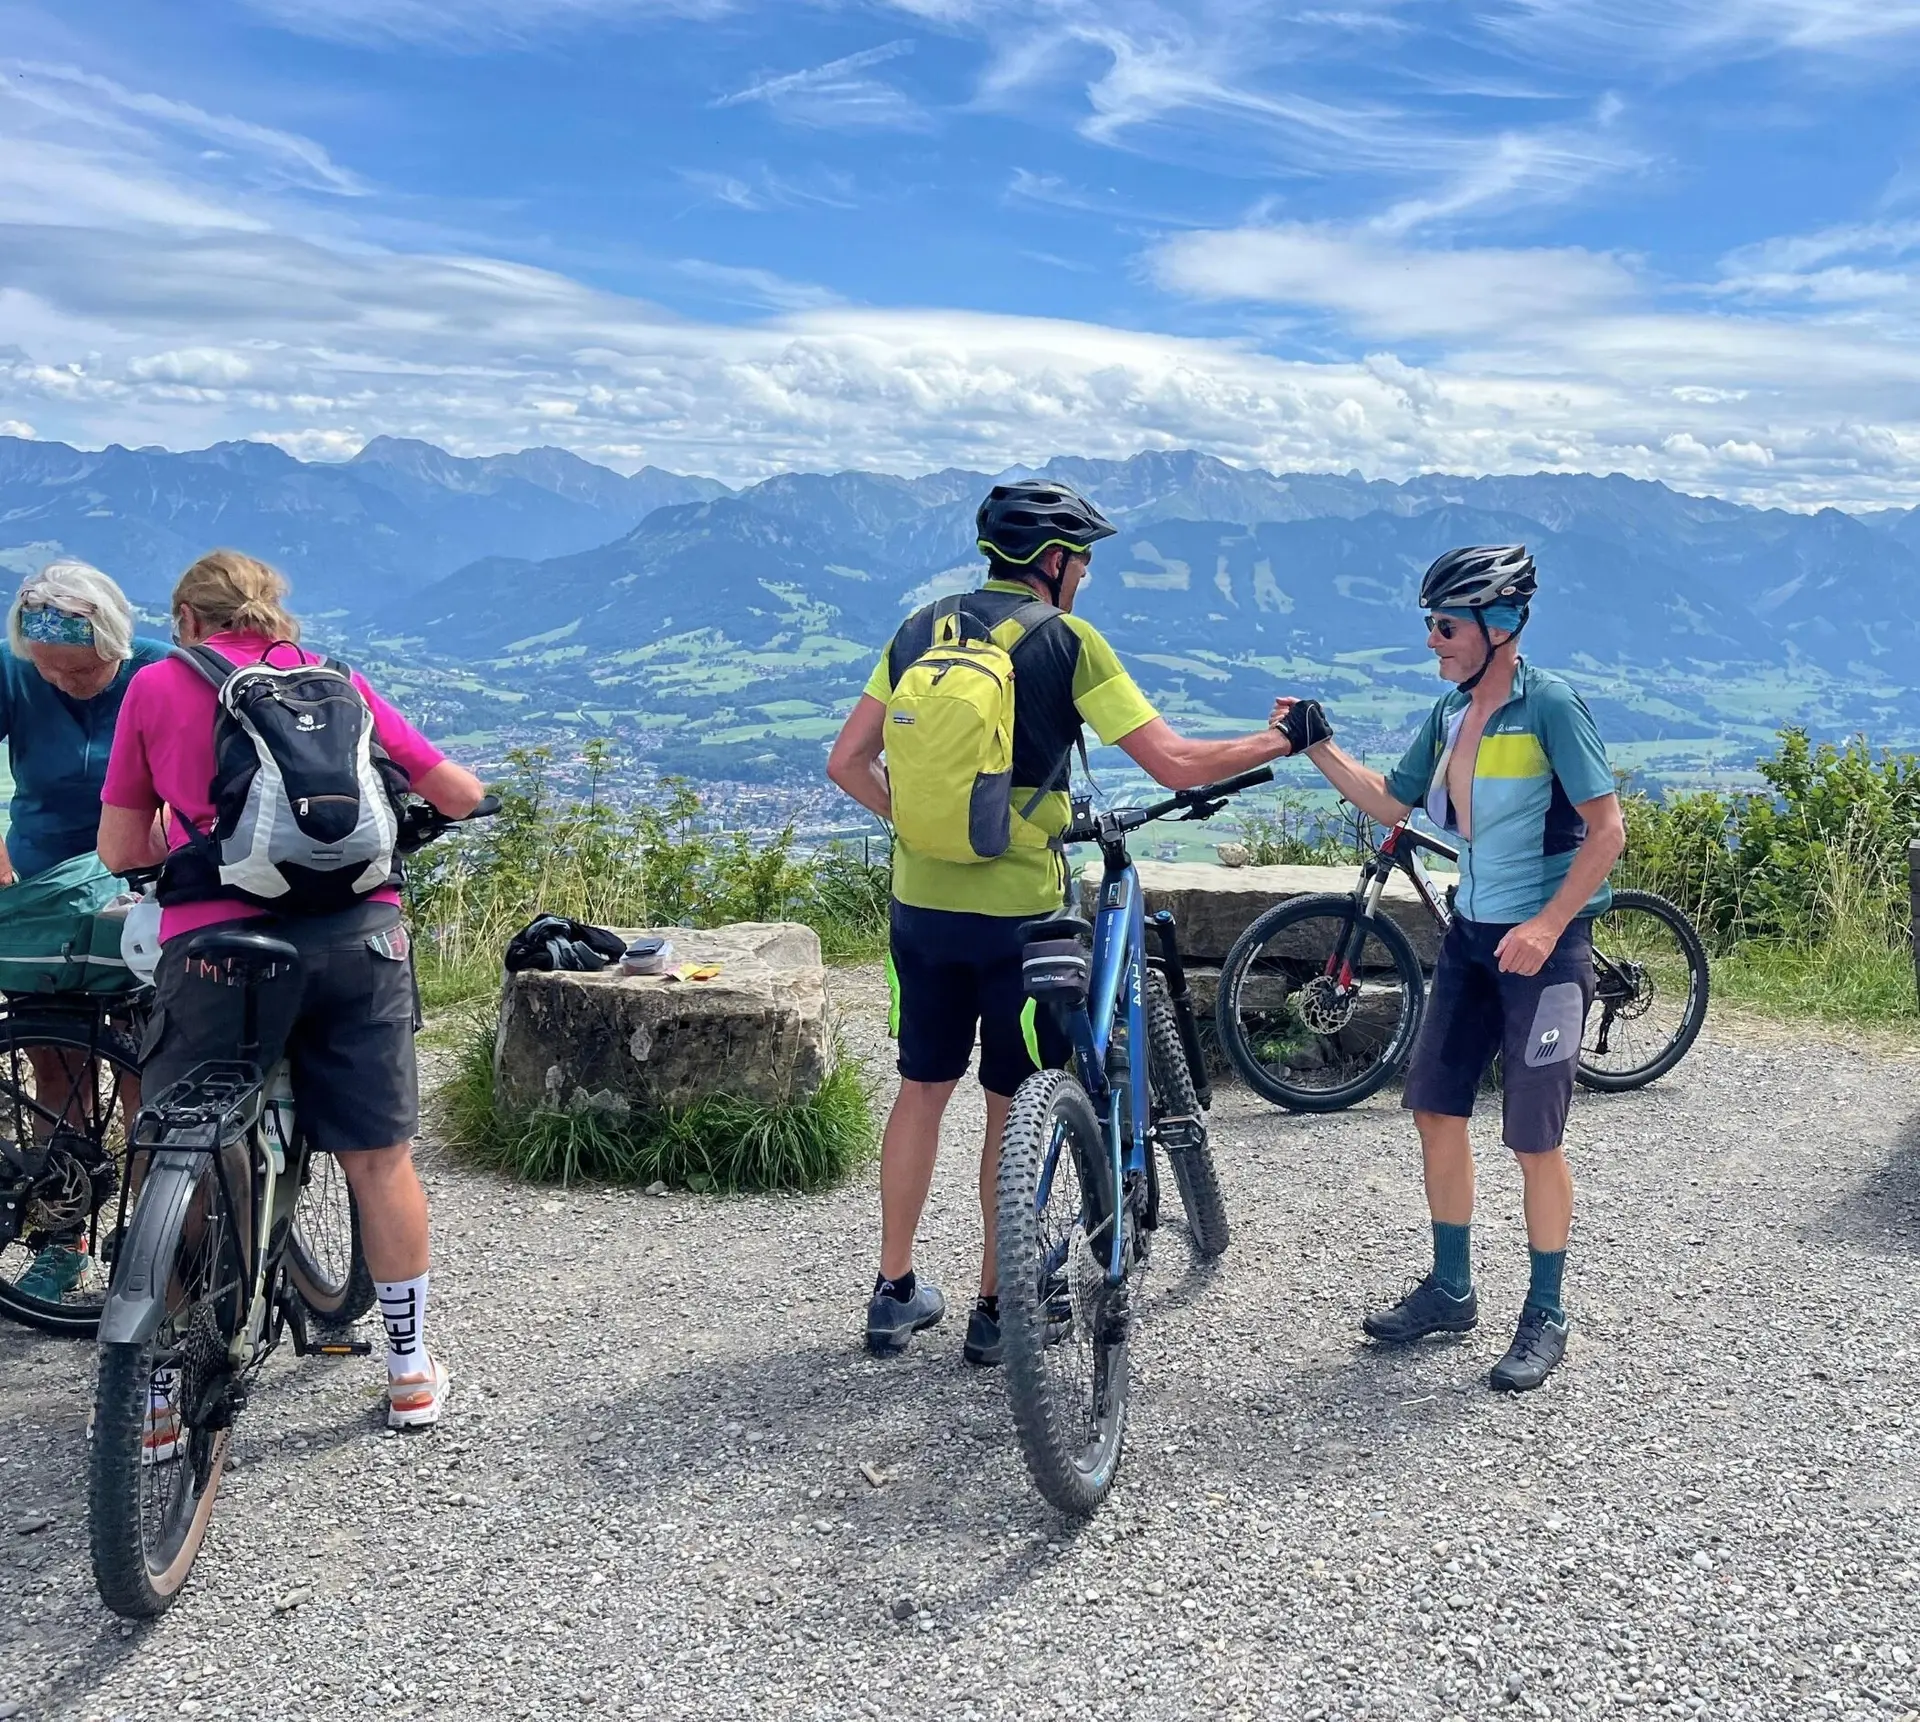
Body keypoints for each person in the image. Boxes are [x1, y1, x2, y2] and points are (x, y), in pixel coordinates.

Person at [826, 480, 1302, 1365]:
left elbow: (848, 762)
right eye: (1080, 559)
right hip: (1018, 914)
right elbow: (1174, 763)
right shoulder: (1067, 640)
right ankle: (994, 1306)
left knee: (921, 1089)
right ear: (1052, 560)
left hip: (919, 907)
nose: (1083, 574)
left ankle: (892, 1293)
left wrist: (923, 829)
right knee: (1011, 1102)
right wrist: (1283, 739)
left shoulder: (918, 630)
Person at [98, 550, 485, 1431]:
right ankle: (410, 1373)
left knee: (180, 1144)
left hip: (217, 951)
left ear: (187, 620)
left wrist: (191, 837)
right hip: (358, 942)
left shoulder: (157, 685)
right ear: (274, 613)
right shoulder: (335, 681)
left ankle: (157, 1395)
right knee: (379, 1161)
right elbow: (460, 793)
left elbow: (120, 848)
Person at [1277, 545, 1624, 1392]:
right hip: (1472, 941)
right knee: (1435, 1110)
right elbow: (1390, 802)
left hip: (1546, 952)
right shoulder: (1450, 713)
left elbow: (1607, 831)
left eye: (1445, 627)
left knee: (1535, 1138)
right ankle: (1452, 1290)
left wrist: (1548, 924)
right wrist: (1318, 745)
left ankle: (1547, 1311)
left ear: (1499, 624)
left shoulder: (1551, 707)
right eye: (1430, 625)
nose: (1432, 641)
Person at [0, 561, 169, 1302]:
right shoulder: (14, 670)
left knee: (144, 1068)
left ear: (115, 646)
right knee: (54, 1068)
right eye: (49, 670)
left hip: (143, 879)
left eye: (80, 670)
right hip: (44, 889)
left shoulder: (159, 671)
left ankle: (151, 1238)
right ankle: (61, 1239)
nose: (63, 682)